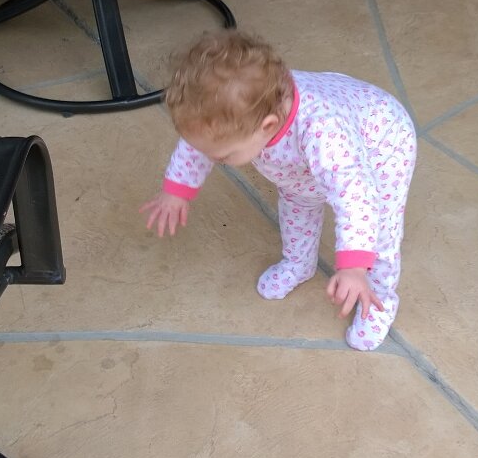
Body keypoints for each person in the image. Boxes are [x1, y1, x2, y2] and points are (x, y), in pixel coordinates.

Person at [140, 30, 416, 351]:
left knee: (380, 228)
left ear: (268, 126)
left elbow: (355, 196)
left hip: (382, 142)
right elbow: (200, 145)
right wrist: (178, 188)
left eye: (224, 156)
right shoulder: (237, 113)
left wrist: (354, 266)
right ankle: (299, 263)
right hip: (306, 163)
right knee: (297, 203)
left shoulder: (323, 131)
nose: (216, 160)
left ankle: (378, 300)